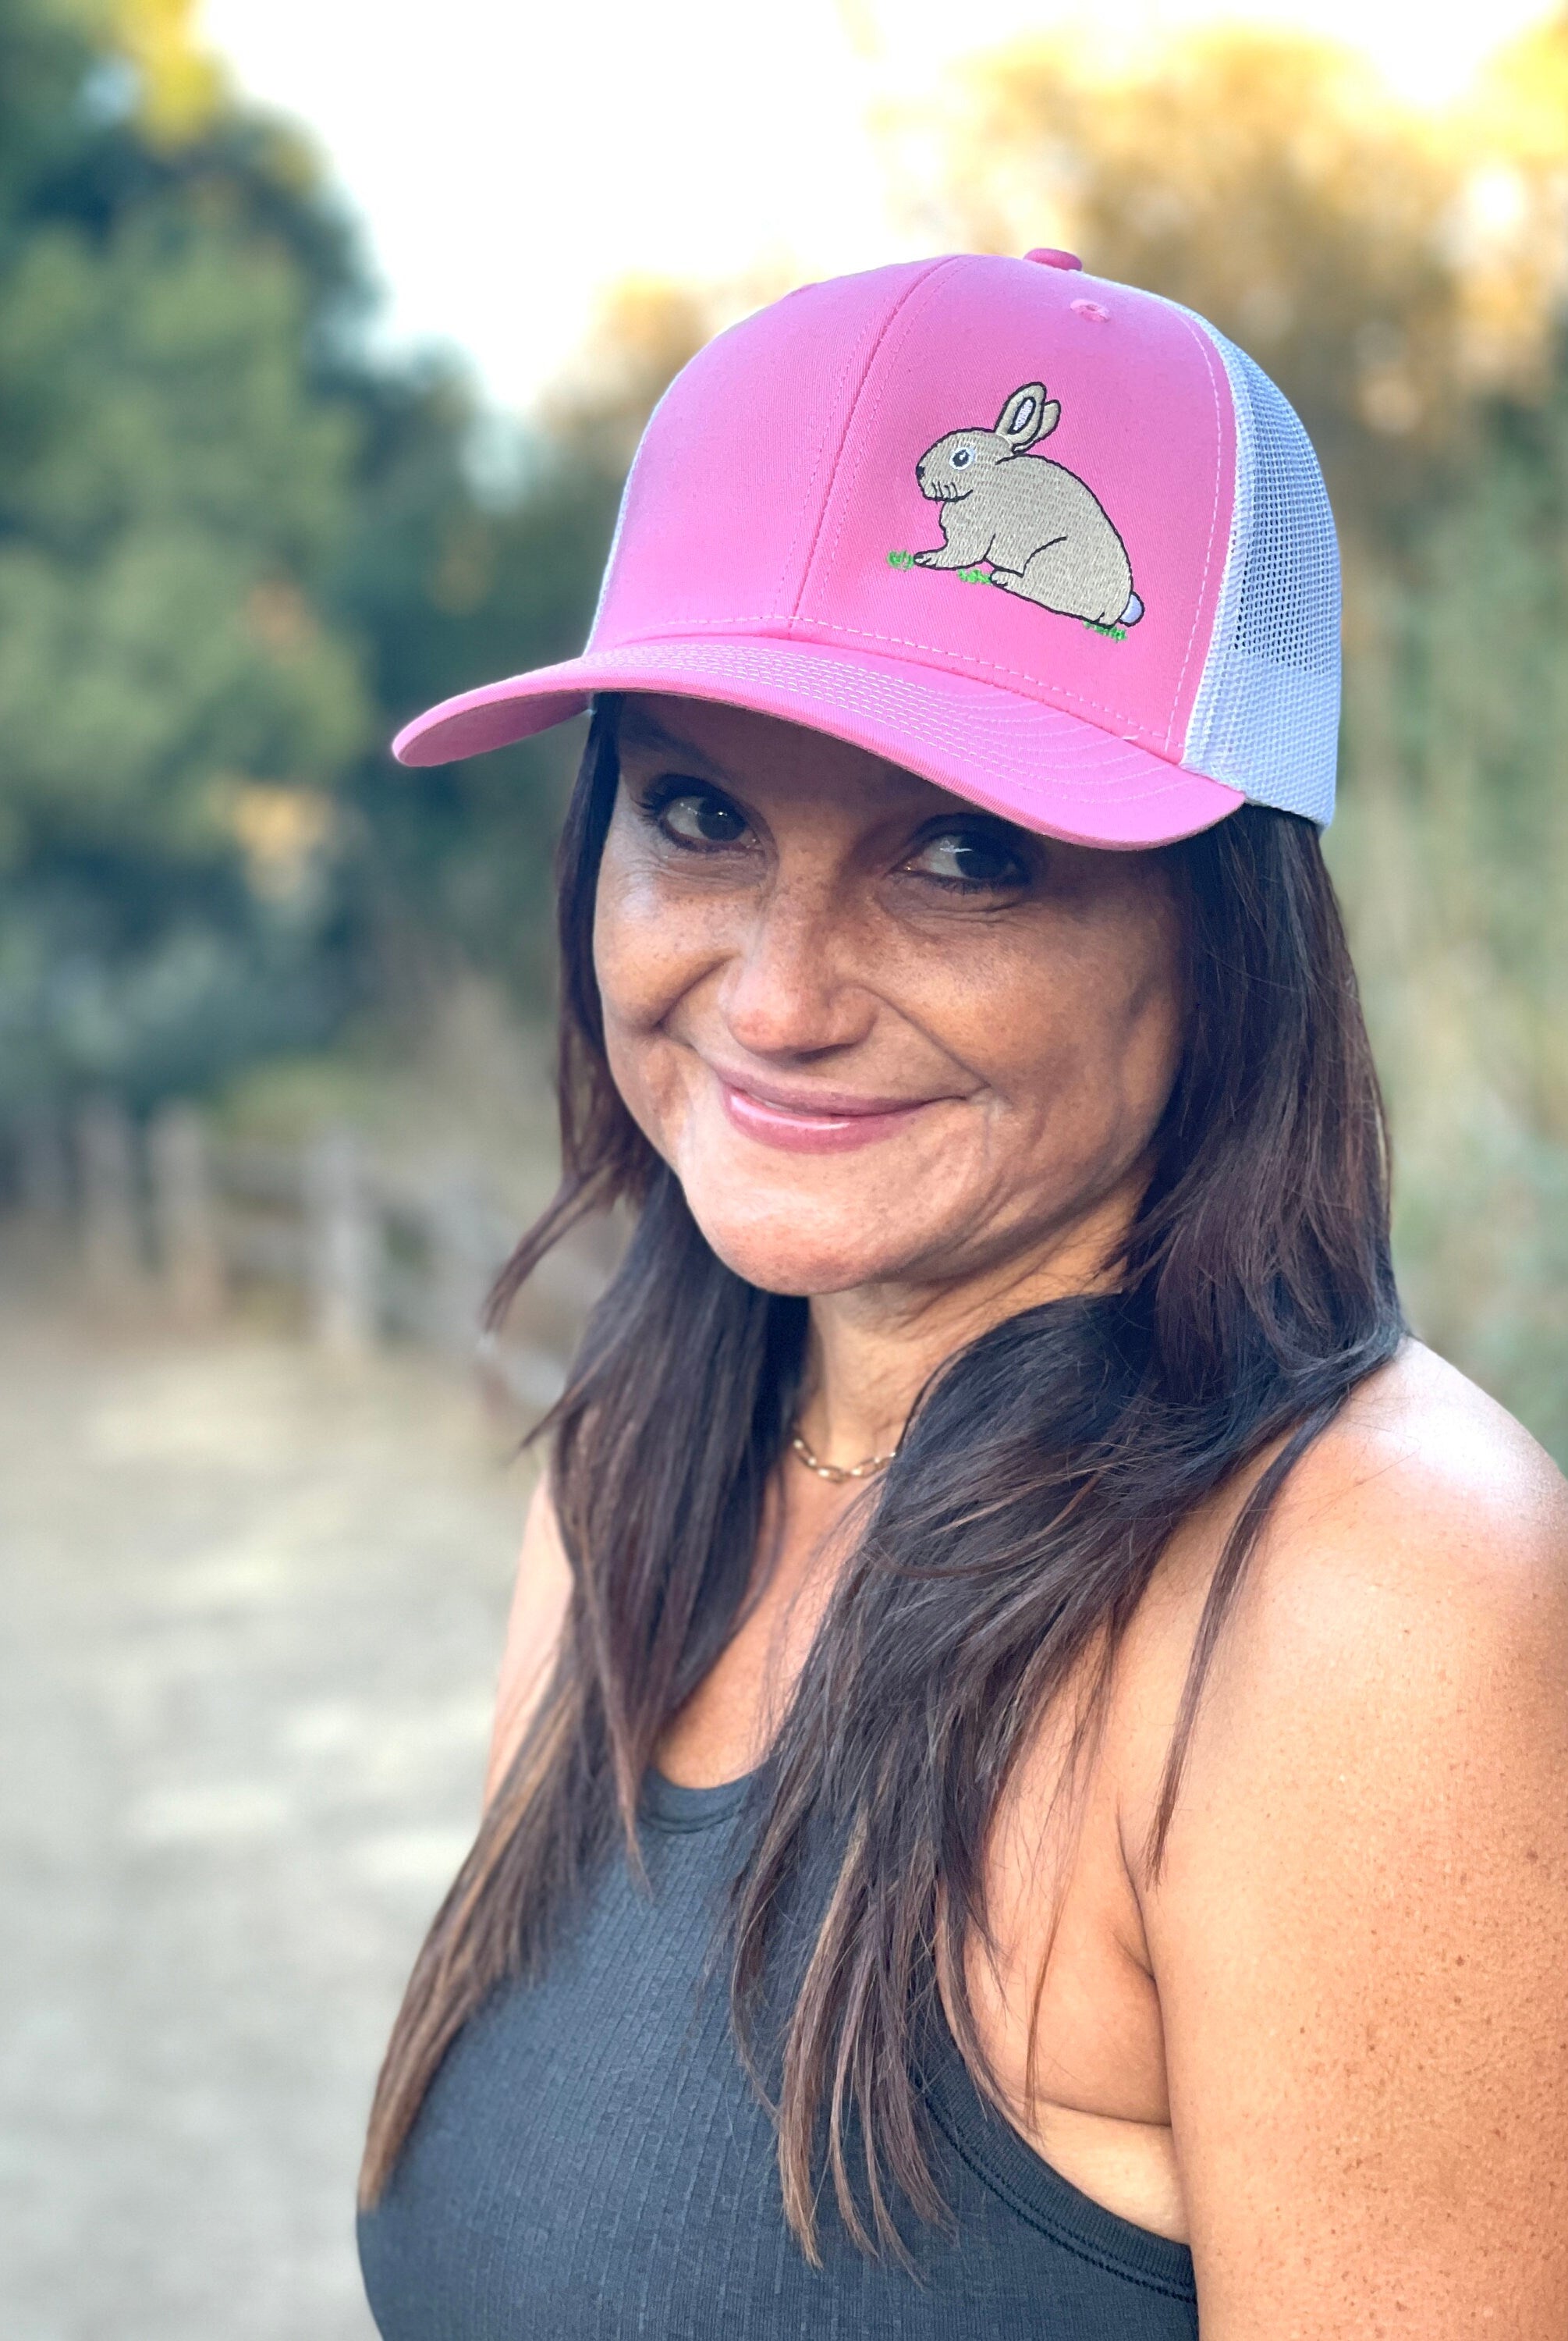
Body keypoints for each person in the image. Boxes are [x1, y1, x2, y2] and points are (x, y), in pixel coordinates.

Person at [356, 252, 1568, 2338]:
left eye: (963, 856)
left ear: (1226, 923)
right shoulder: (642, 1462)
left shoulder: (1367, 1602)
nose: (777, 997)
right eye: (700, 814)